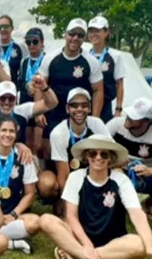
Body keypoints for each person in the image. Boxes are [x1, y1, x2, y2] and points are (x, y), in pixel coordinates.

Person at [39, 134, 152, 259]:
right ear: (86, 156)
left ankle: (76, 254)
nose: (98, 158)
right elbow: (71, 217)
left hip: (113, 243)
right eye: (93, 153)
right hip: (81, 238)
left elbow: (137, 215)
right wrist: (87, 245)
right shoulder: (76, 177)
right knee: (46, 220)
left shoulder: (121, 180)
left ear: (110, 158)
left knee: (139, 245)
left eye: (104, 154)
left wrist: (150, 248)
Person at [38, 18, 103, 176]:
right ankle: (52, 189)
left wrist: (93, 117)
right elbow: (40, 85)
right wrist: (39, 111)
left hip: (78, 115)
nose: (75, 38)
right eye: (72, 34)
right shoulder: (50, 58)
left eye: (80, 35)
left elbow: (98, 90)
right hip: (53, 114)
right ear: (65, 34)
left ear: (84, 38)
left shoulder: (91, 62)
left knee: (81, 154)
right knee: (47, 154)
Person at [0, 116, 39, 255]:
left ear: (16, 135)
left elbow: (30, 193)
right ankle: (11, 243)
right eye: (3, 130)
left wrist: (13, 215)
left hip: (9, 217)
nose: (7, 135)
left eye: (11, 131)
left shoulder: (24, 157)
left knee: (34, 222)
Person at [40, 88, 110, 215]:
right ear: (67, 109)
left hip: (90, 173)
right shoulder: (58, 133)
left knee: (117, 171)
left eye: (84, 105)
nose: (79, 109)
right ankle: (59, 200)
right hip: (66, 173)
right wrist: (69, 211)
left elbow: (111, 155)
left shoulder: (98, 125)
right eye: (74, 105)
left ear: (89, 108)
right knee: (46, 184)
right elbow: (64, 176)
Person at [106, 98, 152, 220]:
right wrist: (114, 160)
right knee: (117, 173)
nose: (128, 117)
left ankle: (148, 204)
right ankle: (118, 208)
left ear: (146, 121)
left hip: (146, 174)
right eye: (130, 113)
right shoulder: (116, 124)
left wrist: (150, 171)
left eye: (134, 117)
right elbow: (97, 148)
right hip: (118, 169)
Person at [0, 79, 57, 146]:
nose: (7, 102)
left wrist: (45, 87)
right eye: (2, 98)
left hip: (21, 157)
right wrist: (18, 146)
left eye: (11, 98)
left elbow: (52, 103)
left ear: (16, 99)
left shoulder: (21, 110)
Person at [88, 16, 126, 122]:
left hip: (106, 107)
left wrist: (118, 110)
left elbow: (119, 84)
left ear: (106, 32)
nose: (93, 34)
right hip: (86, 105)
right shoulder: (85, 56)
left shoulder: (115, 56)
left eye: (97, 30)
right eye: (91, 31)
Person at [17, 27, 47, 156]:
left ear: (42, 43)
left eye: (35, 41)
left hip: (42, 104)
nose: (31, 45)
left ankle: (40, 171)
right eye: (28, 42)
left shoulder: (47, 60)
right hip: (26, 103)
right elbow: (20, 82)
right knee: (28, 142)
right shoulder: (24, 61)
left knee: (39, 145)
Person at [0, 15, 28, 83]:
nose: (2, 29)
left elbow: (26, 70)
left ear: (12, 28)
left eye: (6, 27)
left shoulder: (20, 48)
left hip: (13, 90)